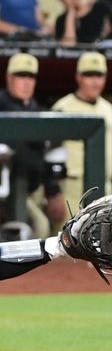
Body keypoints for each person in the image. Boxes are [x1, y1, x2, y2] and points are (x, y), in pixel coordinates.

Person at [0, 53, 65, 238]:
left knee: (63, 227)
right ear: (9, 78)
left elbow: (44, 155)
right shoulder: (1, 105)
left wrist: (53, 191)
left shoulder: (35, 109)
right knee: (39, 228)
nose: (27, 82)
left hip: (33, 190)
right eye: (21, 76)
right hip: (8, 193)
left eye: (31, 77)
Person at [51, 52, 112, 218]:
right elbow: (50, 155)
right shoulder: (63, 107)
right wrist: (54, 193)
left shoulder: (109, 109)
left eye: (99, 76)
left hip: (105, 187)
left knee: (101, 242)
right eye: (89, 75)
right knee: (67, 241)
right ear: (78, 77)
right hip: (71, 187)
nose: (95, 81)